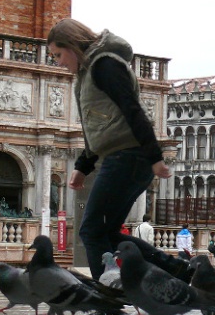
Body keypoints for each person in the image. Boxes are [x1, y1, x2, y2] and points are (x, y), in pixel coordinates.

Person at [47, 19, 184, 282]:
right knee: (106, 232)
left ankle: (107, 294)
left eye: (58, 54)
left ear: (73, 46)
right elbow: (100, 127)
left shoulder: (104, 65)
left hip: (129, 157)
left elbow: (132, 109)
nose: (59, 62)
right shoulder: (89, 72)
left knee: (91, 230)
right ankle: (176, 269)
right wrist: (82, 166)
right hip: (123, 157)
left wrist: (155, 157)